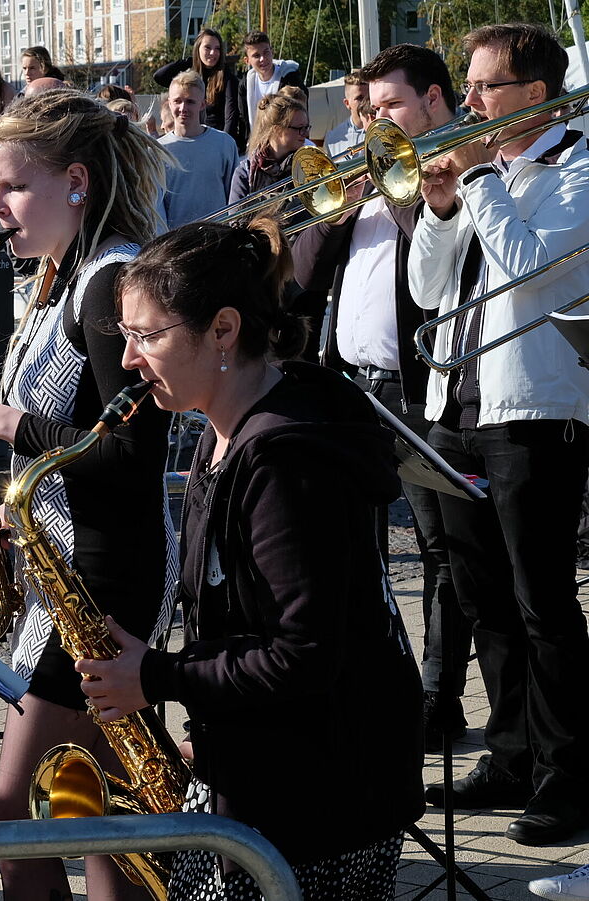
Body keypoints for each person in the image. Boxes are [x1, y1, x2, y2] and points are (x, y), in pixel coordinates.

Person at [81, 217, 424, 901]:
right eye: (126, 336)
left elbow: (303, 653)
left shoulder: (283, 461)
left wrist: (159, 676)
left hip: (318, 798)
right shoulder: (228, 434)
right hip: (280, 773)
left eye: (147, 336)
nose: (127, 360)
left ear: (224, 330)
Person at [0, 88, 177, 901]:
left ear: (76, 182)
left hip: (101, 581)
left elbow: (131, 453)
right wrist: (12, 505)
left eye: (11, 188)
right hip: (69, 570)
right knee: (95, 818)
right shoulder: (57, 278)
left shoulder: (107, 284)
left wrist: (5, 423)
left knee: (15, 816)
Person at [407, 22, 589, 846]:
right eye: (472, 86)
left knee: (543, 602)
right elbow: (426, 286)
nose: (469, 101)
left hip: (534, 414)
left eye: (483, 88)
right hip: (457, 403)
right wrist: (441, 210)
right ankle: (510, 754)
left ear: (535, 97)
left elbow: (530, 274)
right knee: (482, 598)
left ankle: (569, 774)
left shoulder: (577, 168)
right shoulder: (490, 174)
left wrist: (478, 180)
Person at [292, 42, 471, 753]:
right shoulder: (365, 174)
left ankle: (438, 696)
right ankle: (374, 677)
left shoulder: (437, 171)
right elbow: (302, 283)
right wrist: (337, 211)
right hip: (350, 384)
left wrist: (394, 187)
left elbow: (434, 268)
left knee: (439, 549)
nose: (369, 124)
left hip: (419, 386)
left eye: (383, 109)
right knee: (353, 545)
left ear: (430, 99)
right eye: (366, 111)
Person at [159, 69, 239, 228]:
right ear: (169, 103)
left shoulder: (224, 144)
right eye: (177, 101)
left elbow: (234, 196)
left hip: (218, 238)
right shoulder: (158, 150)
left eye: (190, 101)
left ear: (203, 104)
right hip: (176, 241)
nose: (183, 108)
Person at [154, 29, 243, 148]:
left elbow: (230, 118)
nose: (213, 53)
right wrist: (190, 61)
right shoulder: (190, 77)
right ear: (198, 49)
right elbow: (159, 76)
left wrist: (224, 146)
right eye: (207, 48)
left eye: (217, 49)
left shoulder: (227, 79)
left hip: (214, 141)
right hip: (190, 139)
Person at [229, 89, 308, 204]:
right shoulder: (244, 173)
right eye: (300, 128)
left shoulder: (308, 167)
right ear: (277, 130)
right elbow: (236, 221)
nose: (305, 133)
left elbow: (321, 219)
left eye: (306, 127)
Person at [237, 30, 303, 147]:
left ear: (272, 52)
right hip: (258, 145)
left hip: (286, 144)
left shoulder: (289, 78)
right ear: (247, 61)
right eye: (256, 56)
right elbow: (243, 120)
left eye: (266, 52)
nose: (263, 59)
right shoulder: (245, 84)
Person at [324, 72, 368, 157]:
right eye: (360, 98)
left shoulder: (384, 132)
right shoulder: (333, 138)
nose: (366, 102)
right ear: (347, 103)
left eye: (369, 97)